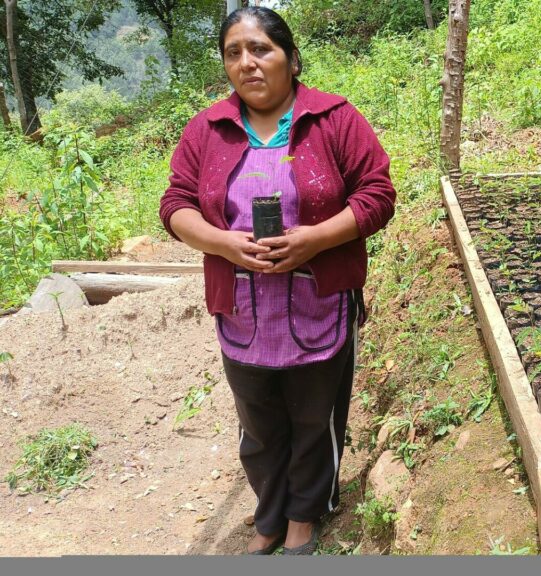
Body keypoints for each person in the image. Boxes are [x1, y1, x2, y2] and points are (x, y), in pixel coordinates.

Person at [159, 7, 395, 555]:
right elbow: (175, 203)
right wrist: (222, 243)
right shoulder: (208, 130)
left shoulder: (333, 119)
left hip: (320, 303)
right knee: (258, 423)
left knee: (314, 418)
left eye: (261, 49)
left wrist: (313, 240)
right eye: (234, 52)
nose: (248, 62)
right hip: (241, 308)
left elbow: (377, 195)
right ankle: (268, 516)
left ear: (290, 57)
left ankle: (302, 521)